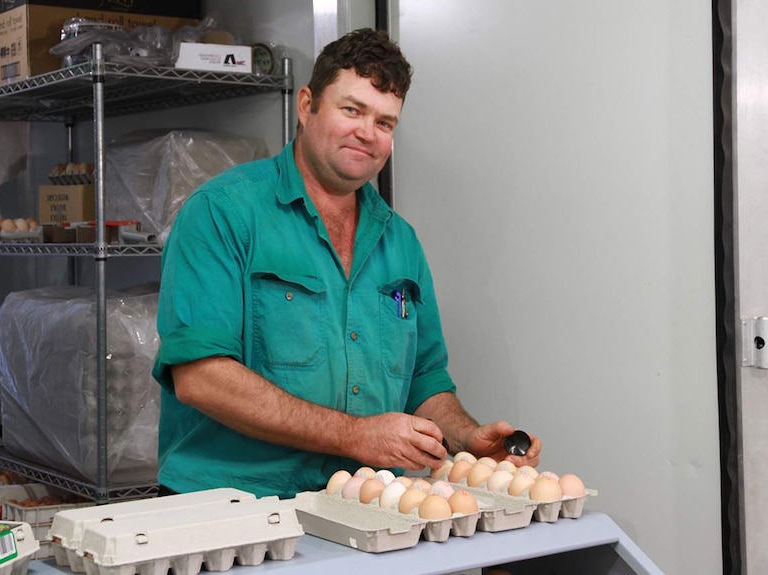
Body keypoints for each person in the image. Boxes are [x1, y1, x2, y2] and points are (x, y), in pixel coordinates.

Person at [152, 28, 541, 499]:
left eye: (385, 122)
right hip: (233, 507)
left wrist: (467, 439)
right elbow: (200, 377)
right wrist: (355, 436)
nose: (367, 133)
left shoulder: (401, 242)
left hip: (363, 507)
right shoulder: (223, 212)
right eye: (351, 110)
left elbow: (425, 381)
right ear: (306, 105)